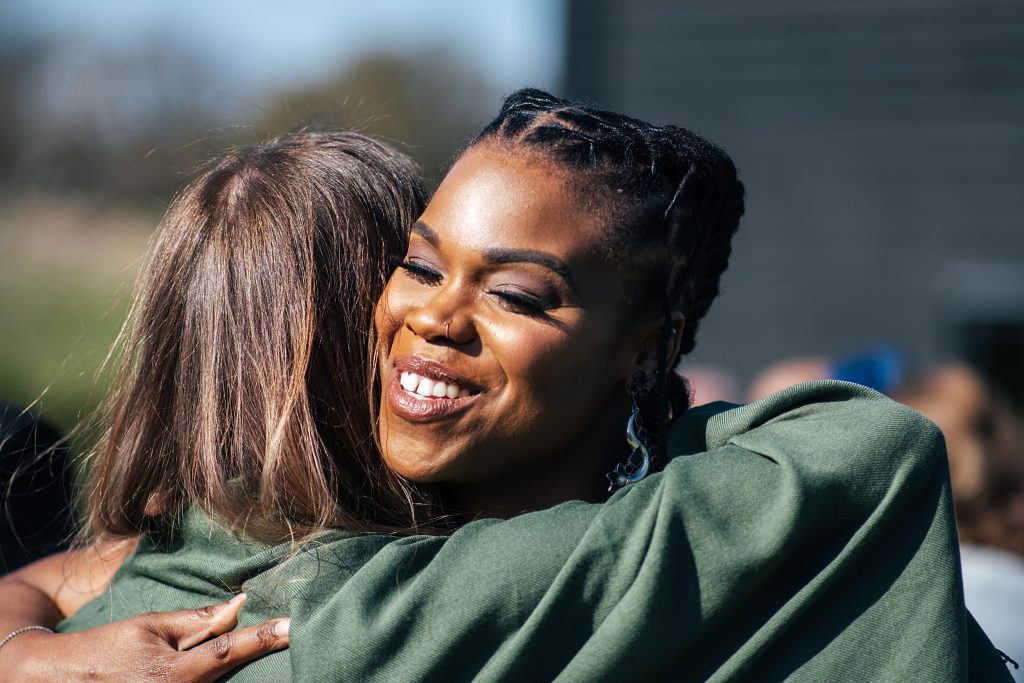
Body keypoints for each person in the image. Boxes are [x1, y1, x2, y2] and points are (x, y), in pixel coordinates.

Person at [0, 90, 1014, 681]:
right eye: (422, 264)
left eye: (520, 293)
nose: (435, 315)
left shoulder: (704, 527)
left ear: (643, 348)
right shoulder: (275, 610)